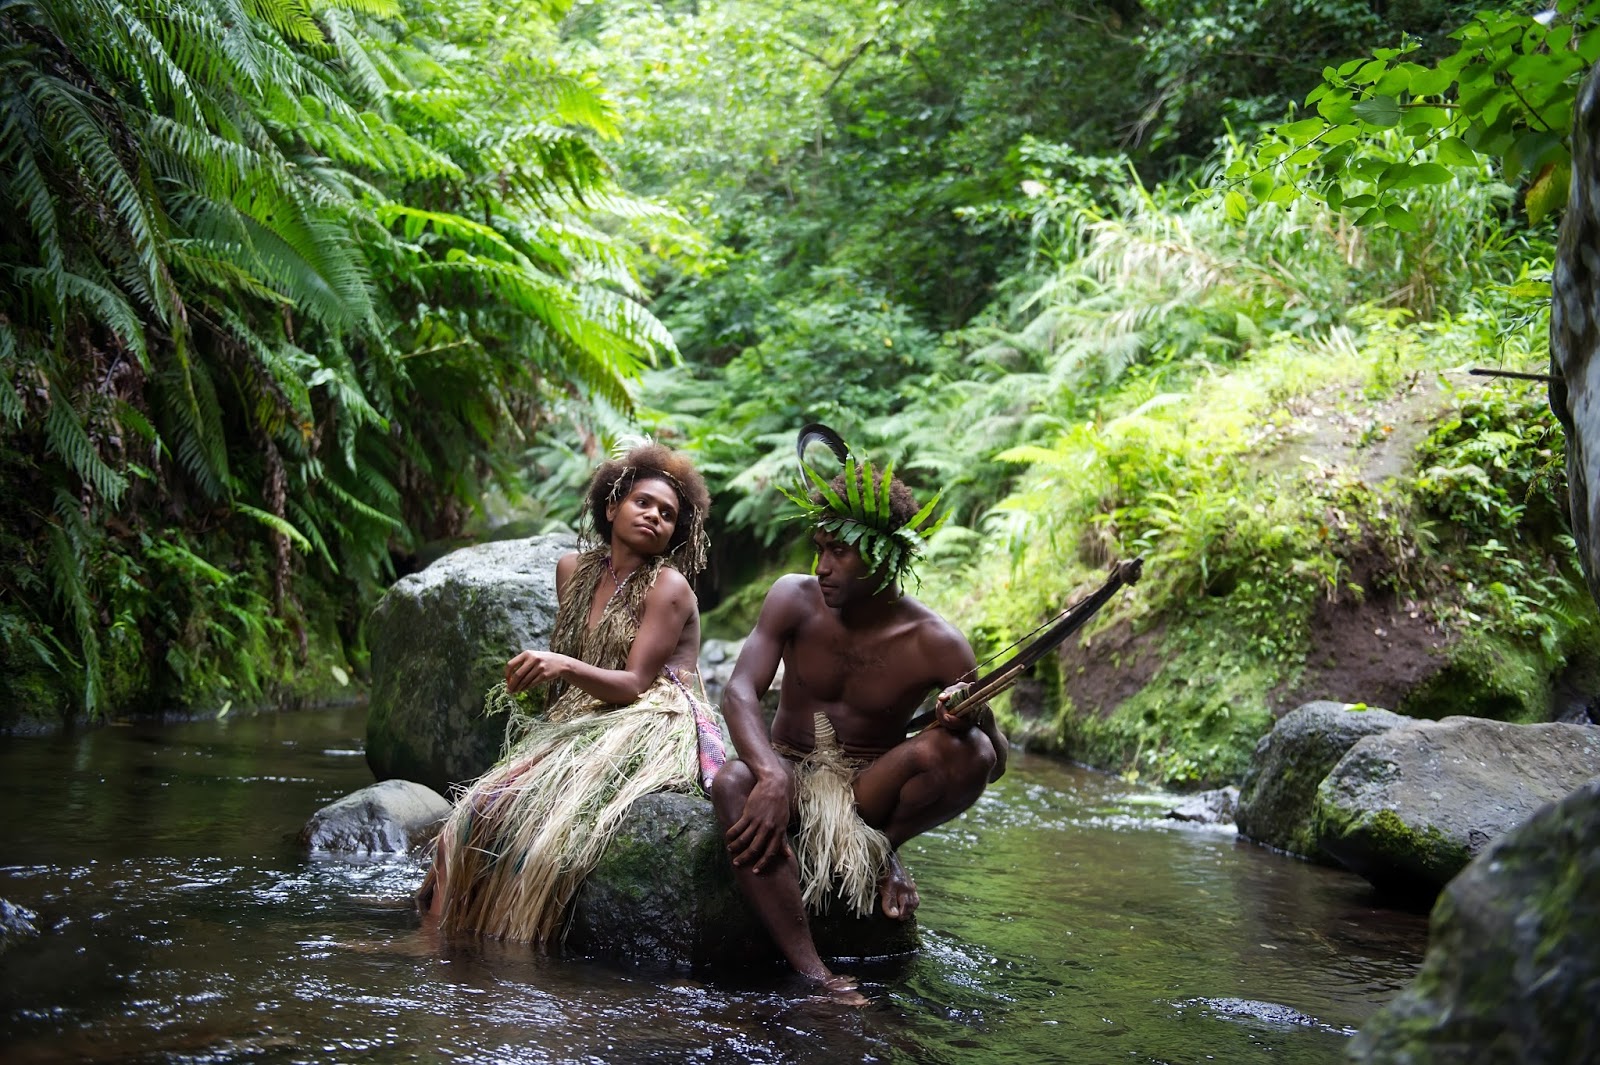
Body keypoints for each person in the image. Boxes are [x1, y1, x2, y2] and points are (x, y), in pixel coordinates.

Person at [710, 457, 1007, 999]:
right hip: (793, 770)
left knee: (971, 750)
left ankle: (880, 852)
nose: (821, 565)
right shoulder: (792, 598)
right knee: (732, 781)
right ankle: (815, 972)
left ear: (882, 556)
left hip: (869, 790)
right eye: (819, 547)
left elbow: (997, 760)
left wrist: (970, 710)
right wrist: (771, 776)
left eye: (837, 551)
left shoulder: (936, 642)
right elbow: (739, 690)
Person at [419, 443, 722, 944]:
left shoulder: (668, 587)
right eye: (643, 502)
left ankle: (501, 934)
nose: (654, 516)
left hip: (652, 716)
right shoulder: (573, 571)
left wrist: (559, 664)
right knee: (475, 810)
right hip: (591, 709)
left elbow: (632, 685)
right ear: (611, 507)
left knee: (539, 819)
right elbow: (580, 660)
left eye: (667, 515)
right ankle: (435, 933)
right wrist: (540, 689)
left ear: (675, 534)